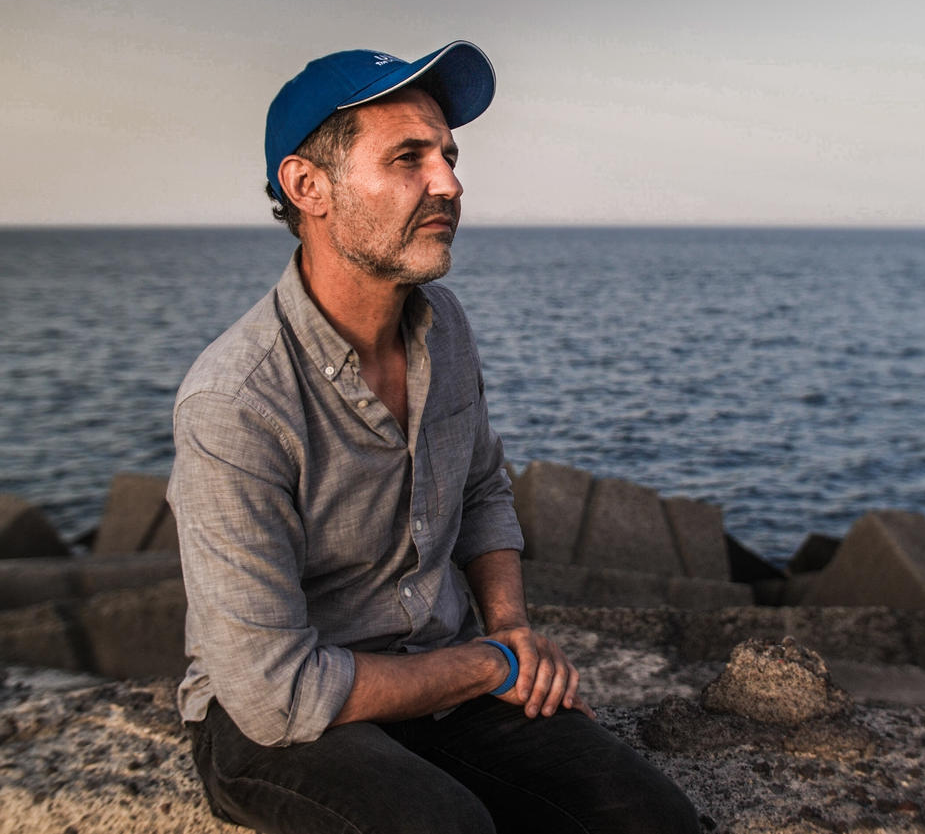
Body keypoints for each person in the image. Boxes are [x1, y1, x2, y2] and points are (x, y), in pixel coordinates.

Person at [167, 41, 700, 834]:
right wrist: (491, 663)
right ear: (308, 186)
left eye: (447, 156)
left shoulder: (442, 327)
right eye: (409, 157)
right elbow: (275, 692)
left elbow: (483, 484)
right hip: (283, 722)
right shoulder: (234, 402)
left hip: (440, 681)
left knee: (649, 817)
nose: (449, 182)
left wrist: (510, 624)